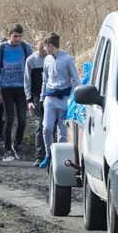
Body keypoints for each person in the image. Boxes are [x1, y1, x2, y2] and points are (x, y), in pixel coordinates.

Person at [39, 32, 81, 168]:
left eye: (45, 46)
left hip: (63, 98)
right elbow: (44, 80)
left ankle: (60, 159)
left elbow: (76, 80)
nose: (44, 49)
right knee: (47, 127)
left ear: (50, 45)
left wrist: (71, 98)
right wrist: (42, 97)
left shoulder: (67, 59)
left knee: (62, 132)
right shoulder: (47, 60)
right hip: (50, 98)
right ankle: (48, 154)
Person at [0, 24, 32, 161]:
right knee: (10, 118)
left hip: (22, 88)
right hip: (6, 88)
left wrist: (31, 91)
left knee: (22, 119)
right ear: (9, 35)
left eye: (20, 36)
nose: (18, 39)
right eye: (15, 36)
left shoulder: (26, 48)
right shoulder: (1, 49)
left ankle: (17, 145)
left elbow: (31, 69)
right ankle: (7, 150)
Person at [24, 31, 48, 167]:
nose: (44, 48)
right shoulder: (31, 60)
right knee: (40, 125)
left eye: (46, 45)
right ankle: (40, 155)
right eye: (41, 44)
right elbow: (27, 81)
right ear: (36, 44)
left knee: (52, 126)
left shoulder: (51, 58)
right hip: (36, 96)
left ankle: (52, 154)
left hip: (50, 96)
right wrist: (29, 100)